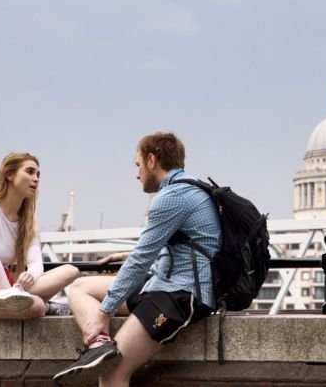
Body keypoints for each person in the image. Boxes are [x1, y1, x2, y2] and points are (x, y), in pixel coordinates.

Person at [53, 132, 221, 387]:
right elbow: (182, 250)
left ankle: (104, 348)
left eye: (138, 164)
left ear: (152, 160)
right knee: (78, 287)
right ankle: (101, 346)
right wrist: (130, 255)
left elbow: (142, 260)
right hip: (162, 284)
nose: (137, 173)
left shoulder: (172, 197)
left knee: (112, 375)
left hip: (180, 296)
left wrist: (102, 314)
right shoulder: (189, 189)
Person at [0, 152, 79, 319]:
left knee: (71, 271)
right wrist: (12, 294)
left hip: (10, 286)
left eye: (38, 174)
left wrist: (30, 275)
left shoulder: (29, 218)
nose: (36, 178)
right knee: (36, 306)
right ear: (9, 175)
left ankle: (32, 302)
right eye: (30, 172)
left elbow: (36, 262)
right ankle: (50, 306)